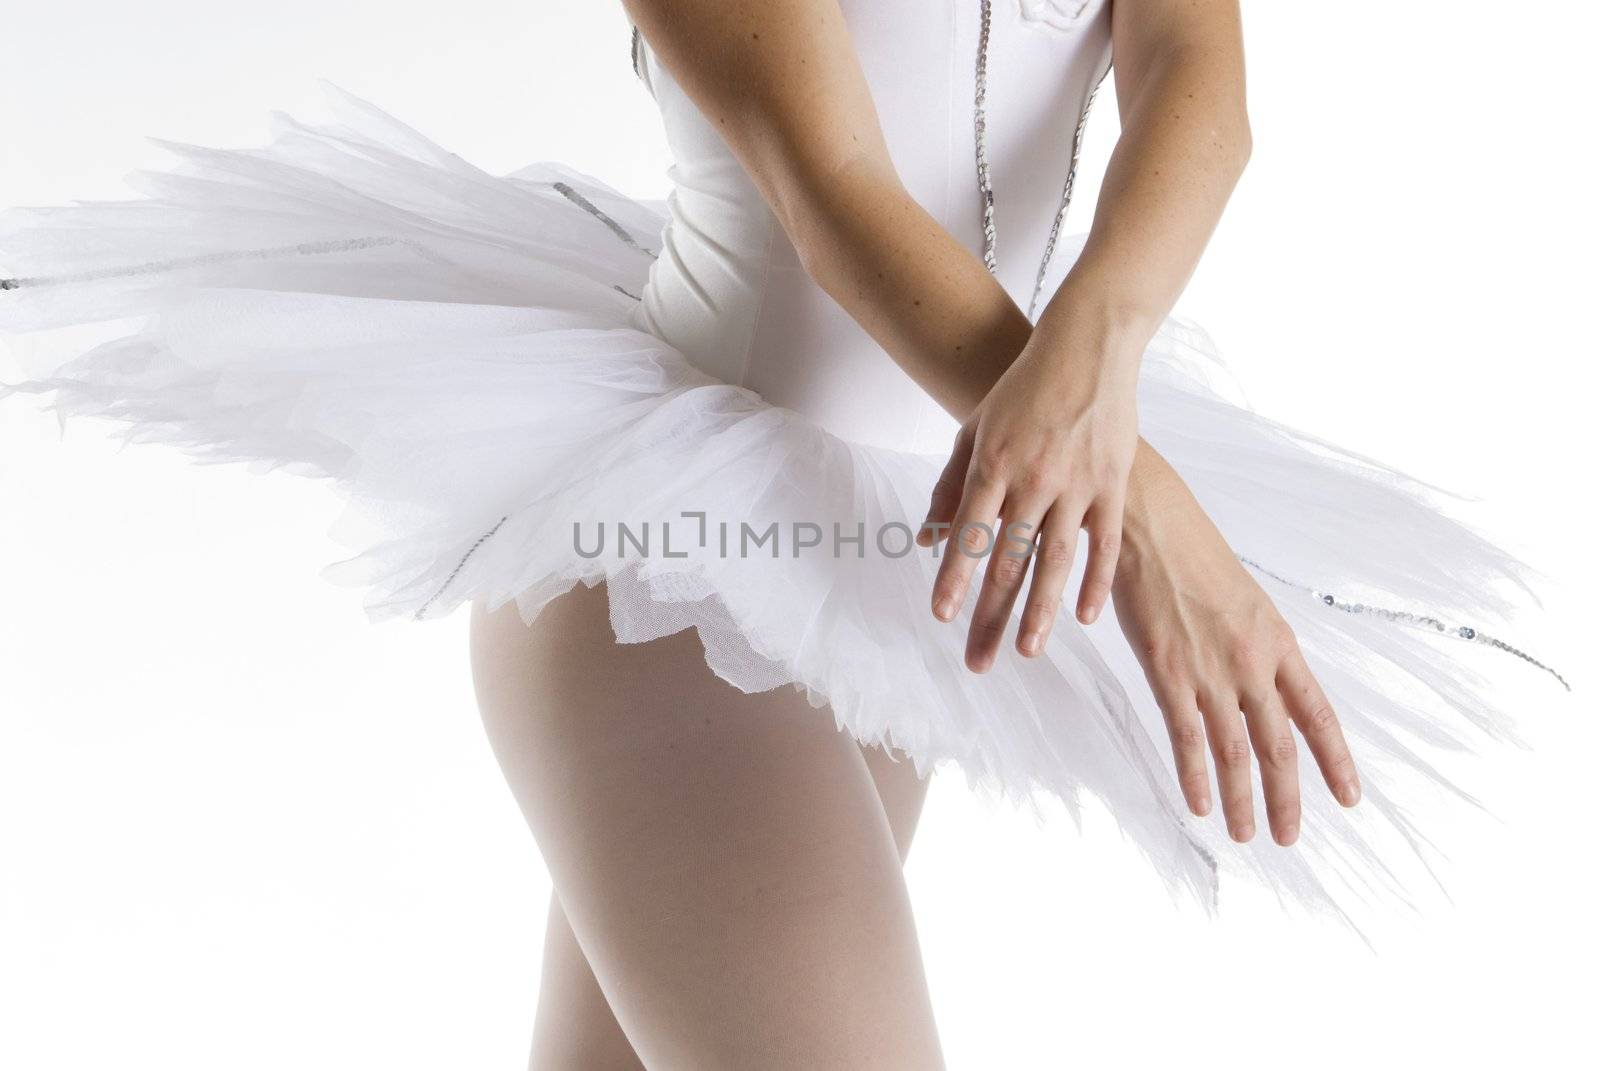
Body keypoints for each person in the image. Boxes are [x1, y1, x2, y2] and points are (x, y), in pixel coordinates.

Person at [0, 1, 1565, 1066]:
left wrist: (1099, 352)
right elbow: (831, 188)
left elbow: (1196, 83)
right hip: (670, 585)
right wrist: (1136, 501)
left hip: (905, 565)